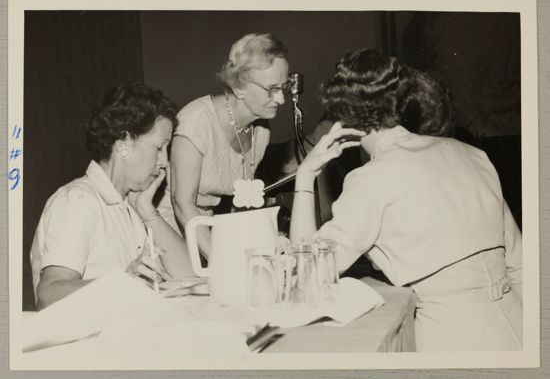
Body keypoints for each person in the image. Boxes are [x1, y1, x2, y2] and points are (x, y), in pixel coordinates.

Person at [290, 49, 522, 352]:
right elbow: (520, 264)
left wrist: (306, 174)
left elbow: (308, 278)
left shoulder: (369, 179)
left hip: (453, 337)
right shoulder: (473, 155)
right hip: (518, 323)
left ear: (344, 120)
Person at [30, 83, 194, 310]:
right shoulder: (78, 201)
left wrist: (148, 211)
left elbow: (189, 275)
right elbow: (49, 294)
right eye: (159, 148)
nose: (164, 162)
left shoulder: (129, 205)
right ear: (123, 144)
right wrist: (122, 283)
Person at [157, 33, 290, 257]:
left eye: (284, 87)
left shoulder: (261, 130)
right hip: (168, 228)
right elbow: (181, 204)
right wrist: (222, 260)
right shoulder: (197, 120)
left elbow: (240, 200)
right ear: (239, 87)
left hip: (207, 228)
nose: (281, 99)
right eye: (271, 89)